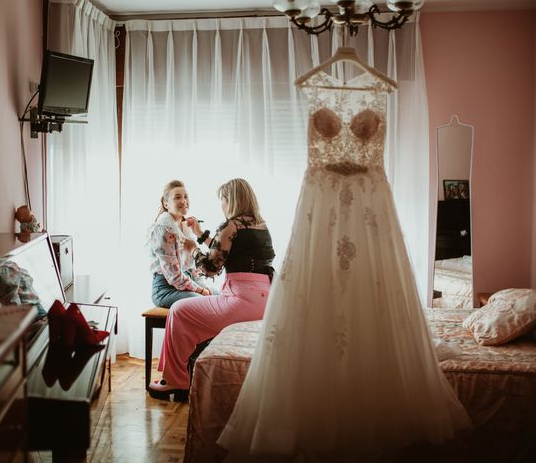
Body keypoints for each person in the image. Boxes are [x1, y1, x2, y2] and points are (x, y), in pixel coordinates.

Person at [217, 50, 471, 460]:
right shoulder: (316, 92)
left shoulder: (380, 92)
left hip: (370, 207)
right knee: (316, 291)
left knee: (372, 289)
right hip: (321, 205)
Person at [147, 178, 275, 400]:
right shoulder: (261, 226)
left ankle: (176, 381)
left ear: (232, 200)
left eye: (223, 199)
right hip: (266, 300)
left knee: (180, 310)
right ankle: (193, 372)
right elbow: (227, 251)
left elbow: (210, 268)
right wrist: (200, 234)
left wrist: (194, 249)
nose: (222, 205)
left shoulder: (231, 225)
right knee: (196, 307)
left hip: (241, 301)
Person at [148, 180, 212, 309]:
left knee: (219, 297)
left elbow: (192, 268)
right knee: (205, 303)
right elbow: (174, 276)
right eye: (177, 197)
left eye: (185, 196)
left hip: (187, 283)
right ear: (166, 203)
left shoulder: (185, 227)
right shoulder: (164, 229)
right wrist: (200, 291)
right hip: (165, 289)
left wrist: (203, 287)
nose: (183, 201)